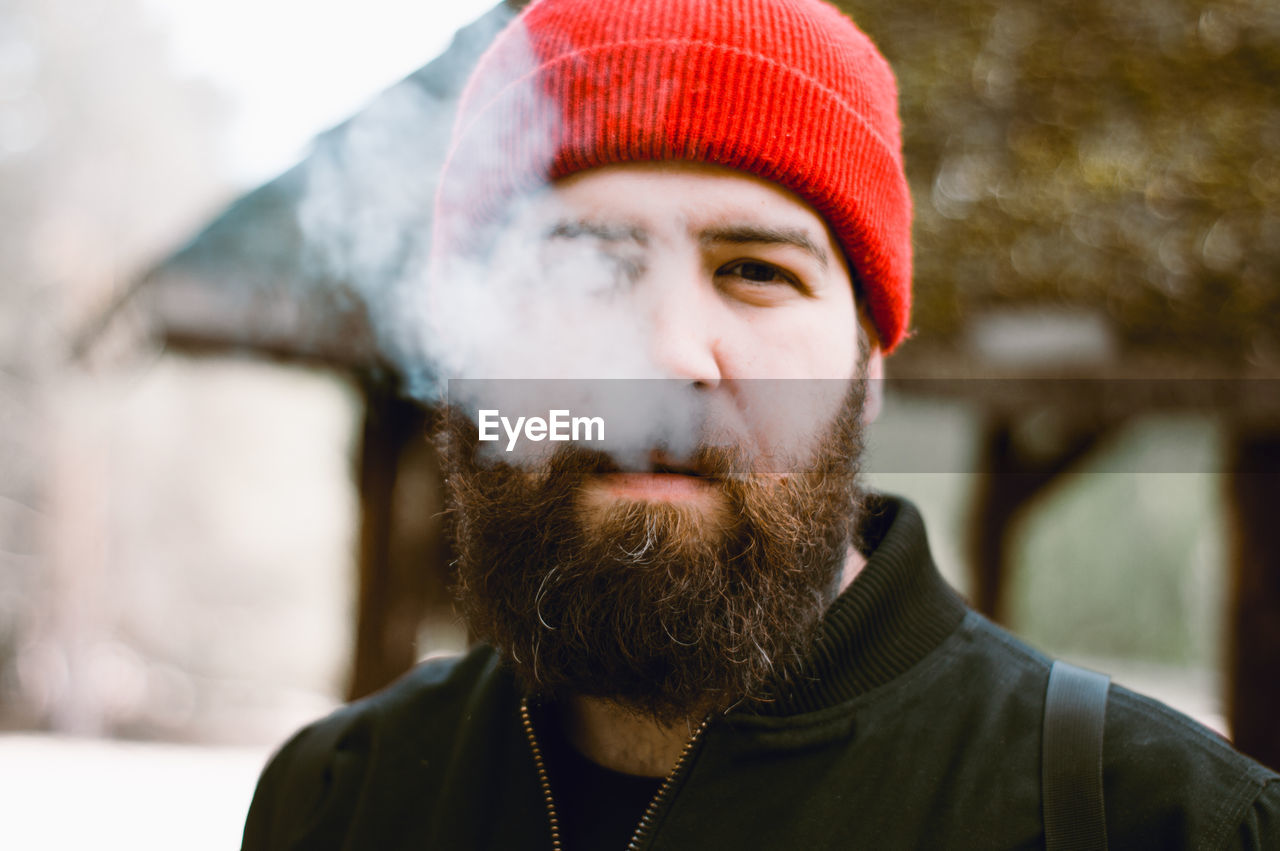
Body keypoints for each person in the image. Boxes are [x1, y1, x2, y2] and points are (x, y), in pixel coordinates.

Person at [242, 0, 1280, 848]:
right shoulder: (334, 802)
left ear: (867, 367)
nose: (668, 353)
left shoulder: (1163, 824)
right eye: (583, 266)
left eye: (754, 271)